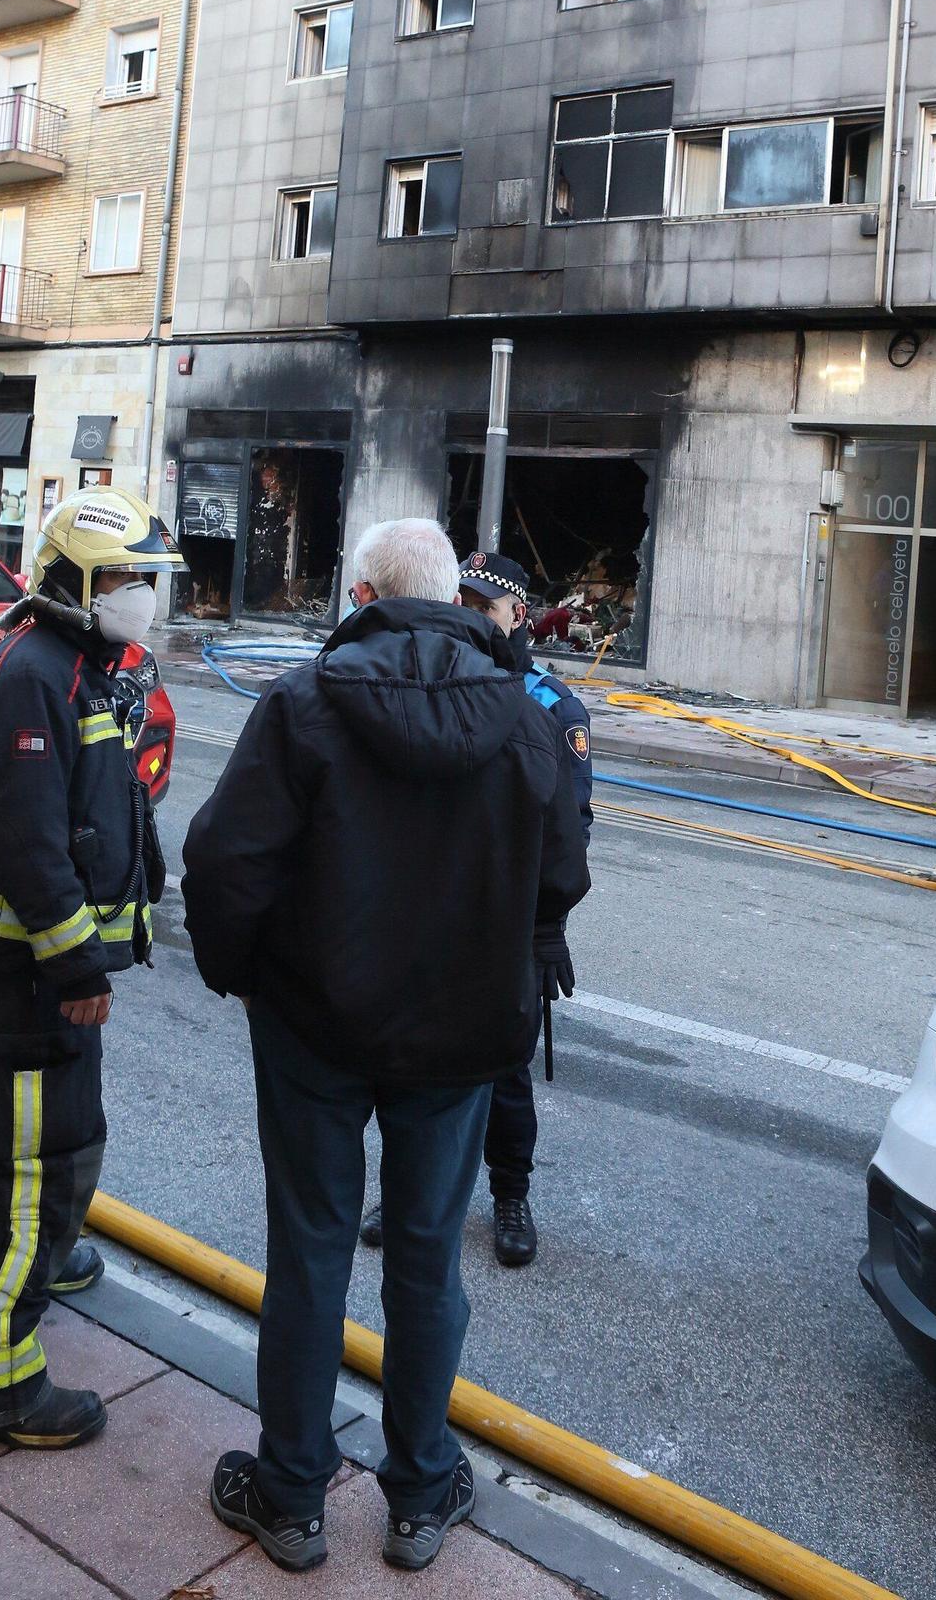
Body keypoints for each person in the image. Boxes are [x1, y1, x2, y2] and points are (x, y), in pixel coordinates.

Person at [182, 518, 589, 1575]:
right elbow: (558, 872)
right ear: (456, 595)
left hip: (316, 1024)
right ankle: (418, 1492)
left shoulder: (303, 703)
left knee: (311, 1250)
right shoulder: (523, 715)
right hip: (460, 1039)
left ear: (360, 591)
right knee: (422, 1257)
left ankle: (290, 1493)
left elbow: (225, 863)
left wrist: (244, 976)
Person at [0, 488, 183, 1450]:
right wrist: (79, 968)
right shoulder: (39, 673)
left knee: (64, 1143)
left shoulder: (77, 664)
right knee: (26, 1173)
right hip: (35, 975)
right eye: (124, 579)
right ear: (75, 579)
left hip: (50, 972)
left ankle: (51, 1255)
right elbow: (30, 842)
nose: (139, 597)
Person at [359, 549, 591, 1267]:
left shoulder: (551, 705)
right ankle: (407, 1189)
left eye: (480, 605)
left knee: (504, 1070)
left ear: (516, 615)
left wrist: (548, 923)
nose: (464, 616)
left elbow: (567, 828)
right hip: (436, 909)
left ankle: (510, 1194)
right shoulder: (437, 677)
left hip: (511, 919)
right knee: (414, 1060)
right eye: (456, 600)